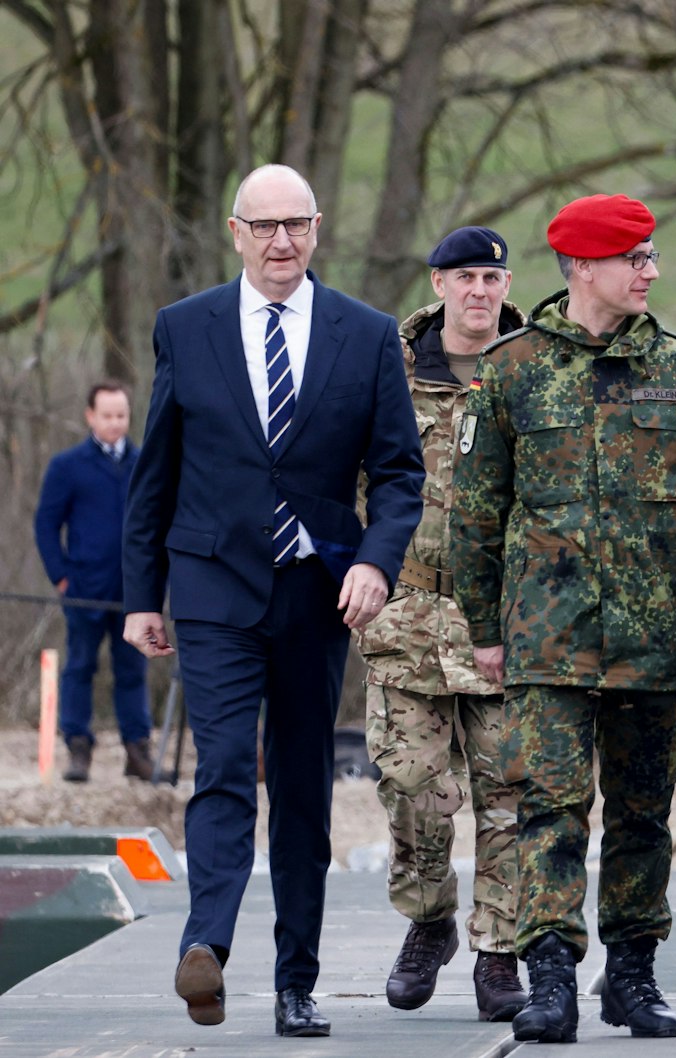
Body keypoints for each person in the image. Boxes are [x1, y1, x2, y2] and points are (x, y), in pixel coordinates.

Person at [121, 163, 425, 1037]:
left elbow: (400, 474)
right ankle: (206, 947)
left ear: (318, 228)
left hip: (318, 591)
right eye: (266, 226)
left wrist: (376, 561)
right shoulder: (186, 328)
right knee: (221, 767)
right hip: (214, 585)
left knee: (303, 788)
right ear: (236, 232)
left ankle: (298, 981)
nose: (282, 241)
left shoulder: (365, 336)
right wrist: (145, 595)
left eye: (297, 224)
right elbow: (157, 472)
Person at [452, 193, 676, 1045]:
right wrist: (482, 629)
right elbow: (476, 511)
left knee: (642, 813)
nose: (650, 272)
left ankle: (632, 973)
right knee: (549, 810)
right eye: (635, 258)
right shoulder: (512, 370)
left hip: (653, 638)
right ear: (585, 266)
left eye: (652, 257)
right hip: (546, 637)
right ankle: (551, 977)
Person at [358, 226, 528, 1021]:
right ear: (438, 285)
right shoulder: (384, 369)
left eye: (492, 277)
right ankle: (430, 921)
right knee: (412, 786)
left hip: (508, 618)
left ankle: (499, 952)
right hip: (409, 615)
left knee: (510, 796)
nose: (479, 291)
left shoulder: (536, 367)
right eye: (465, 276)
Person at [33, 381, 151, 782]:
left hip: (134, 592)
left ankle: (137, 750)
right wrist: (61, 576)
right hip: (84, 589)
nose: (115, 423)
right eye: (107, 416)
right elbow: (46, 524)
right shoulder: (68, 466)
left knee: (132, 670)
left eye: (122, 415)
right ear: (90, 416)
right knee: (80, 666)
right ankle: (78, 749)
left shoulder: (145, 463)